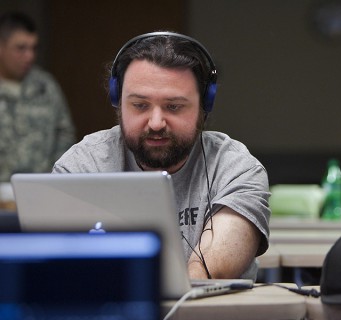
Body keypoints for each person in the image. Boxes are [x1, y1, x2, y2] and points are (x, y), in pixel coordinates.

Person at [52, 31, 271, 280]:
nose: (156, 123)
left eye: (174, 106)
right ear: (117, 100)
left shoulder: (236, 167)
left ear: (205, 105)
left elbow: (210, 268)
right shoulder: (82, 165)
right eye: (140, 105)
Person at [0, 11, 76, 182]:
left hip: (41, 190)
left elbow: (65, 135)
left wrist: (55, 178)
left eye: (33, 48)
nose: (30, 56)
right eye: (21, 48)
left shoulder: (45, 86)